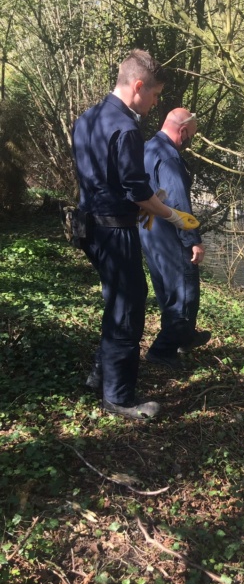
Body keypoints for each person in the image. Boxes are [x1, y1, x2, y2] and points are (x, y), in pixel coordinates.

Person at [72, 50, 200, 419]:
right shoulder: (126, 128)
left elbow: (100, 178)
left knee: (116, 301)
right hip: (115, 231)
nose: (156, 102)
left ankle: (100, 374)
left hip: (89, 228)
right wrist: (174, 216)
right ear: (138, 85)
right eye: (156, 95)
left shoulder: (88, 119)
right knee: (129, 308)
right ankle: (119, 397)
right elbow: (137, 191)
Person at [140, 108, 211, 370]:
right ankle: (163, 350)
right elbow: (179, 202)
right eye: (189, 136)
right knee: (184, 294)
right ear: (182, 131)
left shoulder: (148, 147)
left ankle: (186, 337)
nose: (188, 142)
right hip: (170, 235)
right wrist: (192, 239)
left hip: (149, 232)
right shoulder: (169, 157)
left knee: (167, 291)